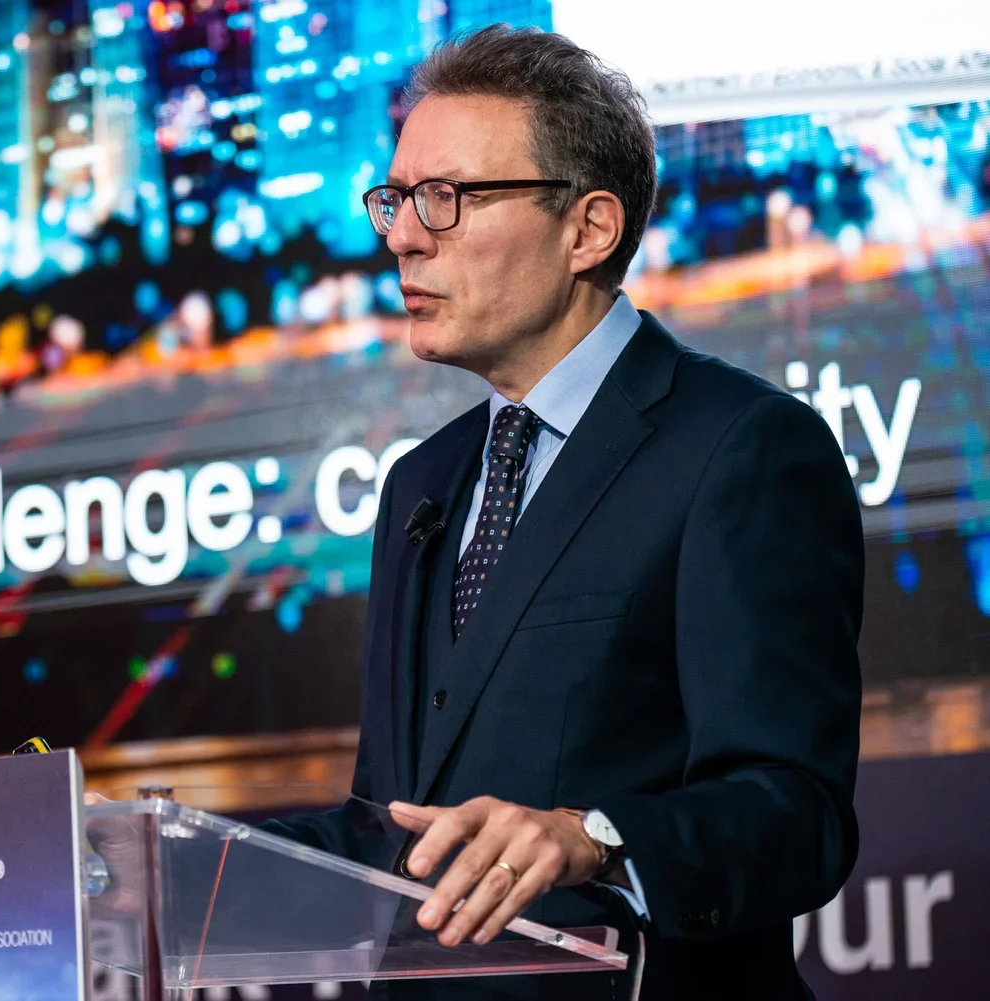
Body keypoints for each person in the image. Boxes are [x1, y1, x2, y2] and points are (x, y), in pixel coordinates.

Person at [267, 25, 863, 1001]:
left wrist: (593, 836)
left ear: (587, 228)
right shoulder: (423, 481)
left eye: (446, 199)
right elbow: (396, 828)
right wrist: (140, 851)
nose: (404, 235)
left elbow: (794, 814)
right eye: (396, 200)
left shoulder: (742, 446)